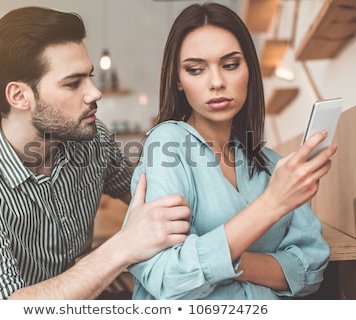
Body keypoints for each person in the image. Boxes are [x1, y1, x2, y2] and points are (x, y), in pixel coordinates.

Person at [0, 6, 191, 300]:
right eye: (73, 83)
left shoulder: (92, 140)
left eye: (89, 77)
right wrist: (122, 247)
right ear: (19, 96)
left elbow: (149, 195)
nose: (94, 93)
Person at [124, 2, 336, 300]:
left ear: (249, 68)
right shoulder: (167, 145)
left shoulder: (273, 165)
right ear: (178, 80)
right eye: (195, 69)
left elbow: (308, 270)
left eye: (231, 64)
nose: (217, 82)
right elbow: (168, 278)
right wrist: (272, 203)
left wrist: (225, 261)